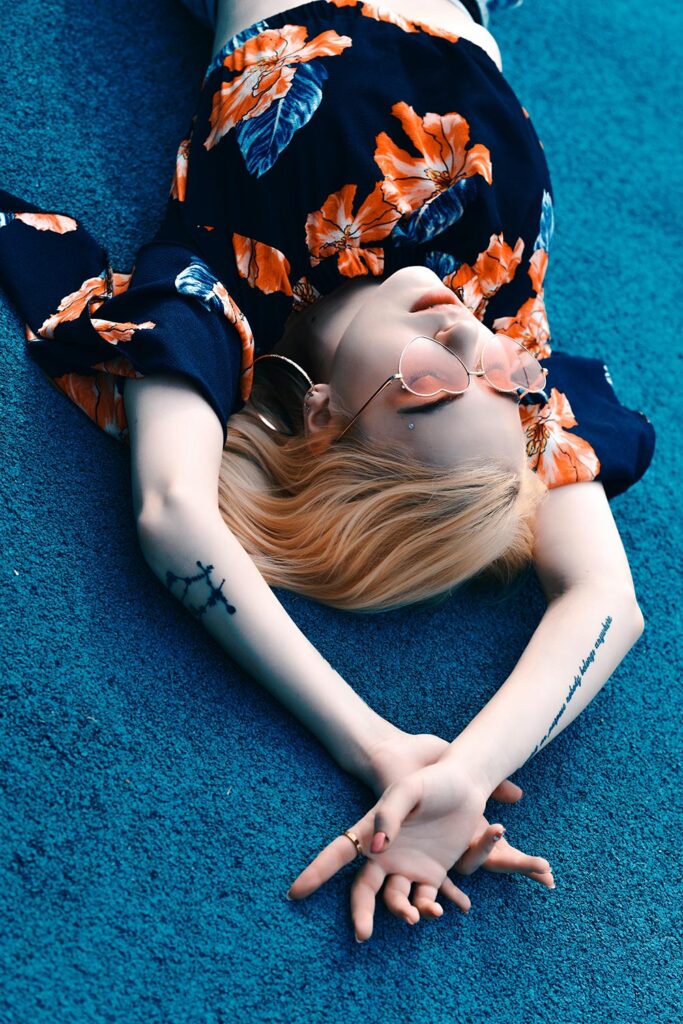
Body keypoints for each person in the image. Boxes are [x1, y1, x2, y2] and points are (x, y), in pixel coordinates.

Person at [0, 0, 655, 943]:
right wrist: (469, 772)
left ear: (322, 418)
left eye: (428, 385)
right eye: (504, 379)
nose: (462, 335)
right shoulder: (497, 314)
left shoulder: (227, 289)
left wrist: (376, 746)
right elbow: (606, 601)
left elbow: (173, 511)